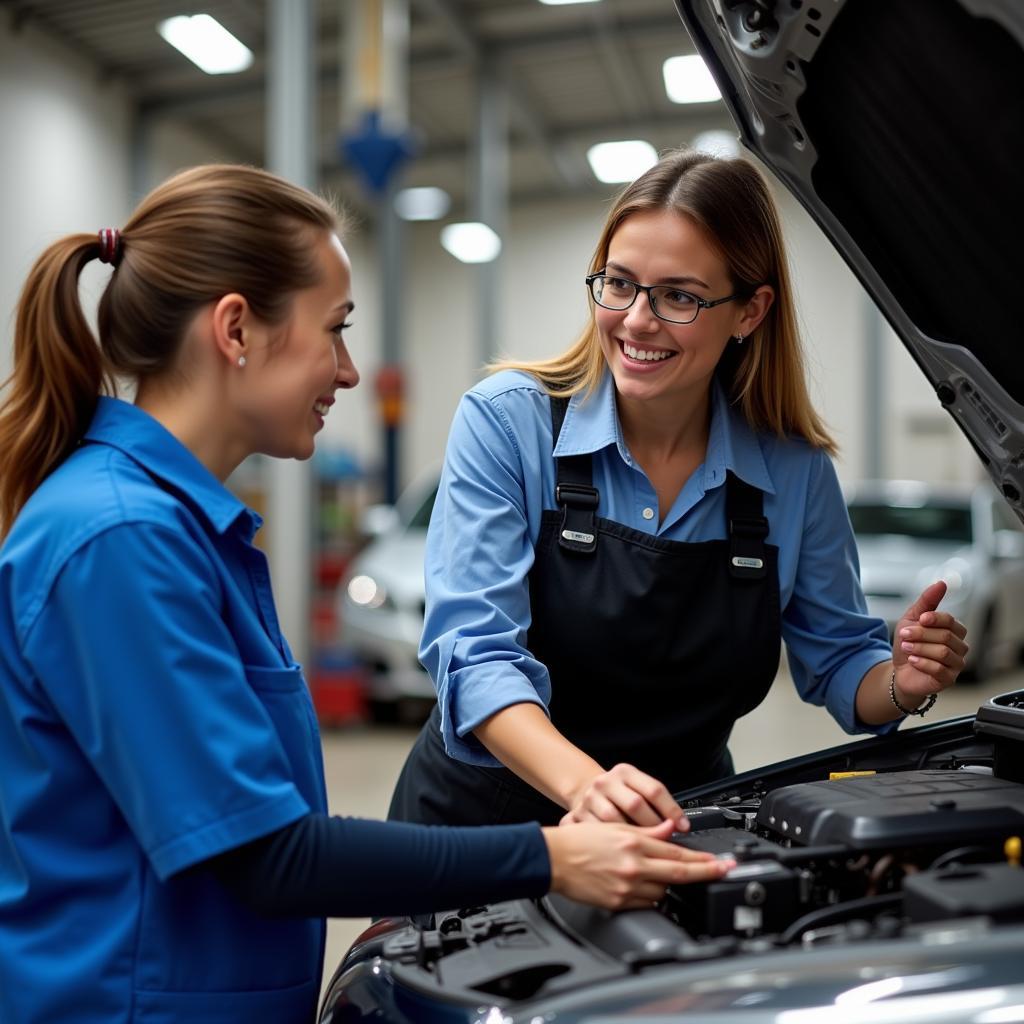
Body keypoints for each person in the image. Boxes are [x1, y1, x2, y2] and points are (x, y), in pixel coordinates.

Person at [0, 164, 734, 1024]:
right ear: (236, 329)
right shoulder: (120, 539)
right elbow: (266, 854)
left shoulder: (178, 528)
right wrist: (551, 858)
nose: (350, 373)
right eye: (335, 331)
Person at [388, 148, 970, 832]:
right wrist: (594, 792)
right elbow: (476, 652)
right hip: (484, 827)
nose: (637, 320)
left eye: (679, 296)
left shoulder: (791, 470)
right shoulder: (508, 422)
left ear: (750, 311)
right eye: (620, 283)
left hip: (677, 823)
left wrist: (901, 682)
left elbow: (843, 661)